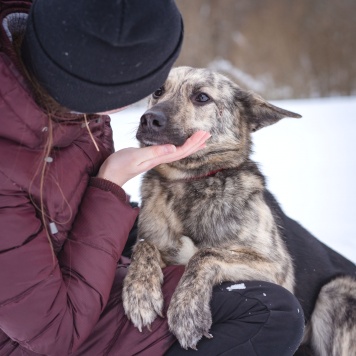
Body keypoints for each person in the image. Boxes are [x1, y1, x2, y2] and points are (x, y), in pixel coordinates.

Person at [0, 0, 304, 355]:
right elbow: (55, 333)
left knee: (281, 235)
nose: (152, 111)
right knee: (271, 311)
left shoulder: (65, 90)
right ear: (91, 84)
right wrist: (111, 181)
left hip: (61, 264)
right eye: (157, 91)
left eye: (199, 99)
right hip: (45, 329)